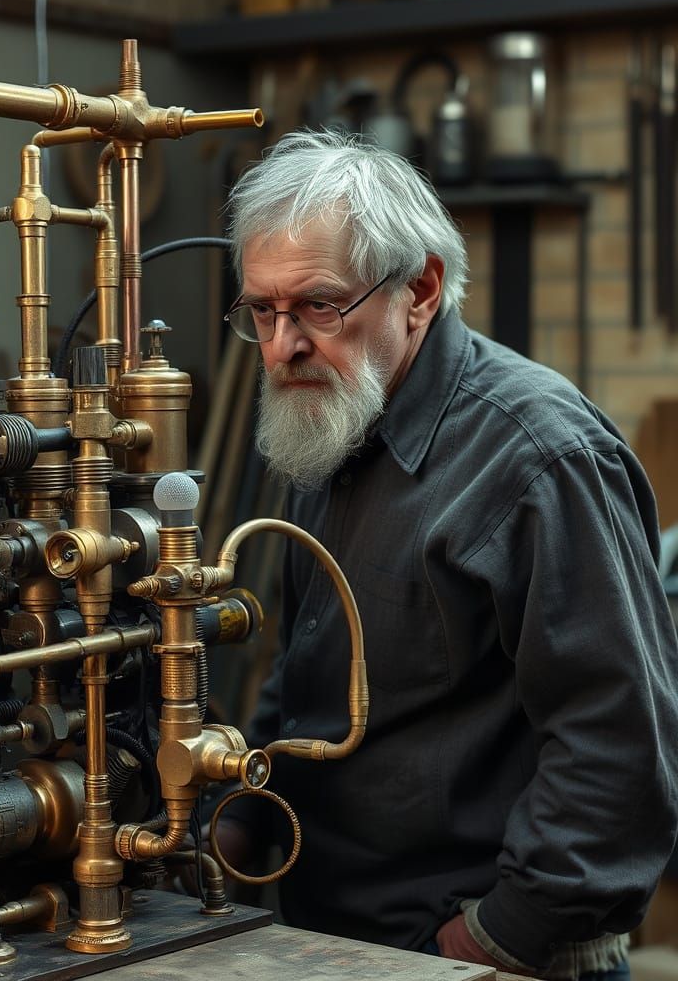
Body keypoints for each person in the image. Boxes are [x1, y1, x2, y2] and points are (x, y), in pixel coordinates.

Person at [213, 128, 678, 981]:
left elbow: (620, 749)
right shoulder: (330, 427)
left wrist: (489, 942)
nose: (281, 348)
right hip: (332, 938)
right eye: (263, 312)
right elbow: (310, 683)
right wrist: (228, 828)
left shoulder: (541, 458)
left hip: (476, 954)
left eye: (318, 305)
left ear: (420, 289)